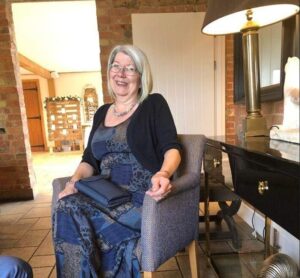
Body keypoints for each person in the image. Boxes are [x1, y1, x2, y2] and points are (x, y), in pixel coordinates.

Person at [52, 44, 181, 277]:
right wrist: (73, 182)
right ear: (109, 71)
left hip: (139, 199)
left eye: (130, 69)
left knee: (69, 209)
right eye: (116, 66)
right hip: (103, 194)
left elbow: (172, 148)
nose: (121, 74)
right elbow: (89, 159)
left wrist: (163, 174)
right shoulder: (101, 112)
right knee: (67, 202)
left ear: (141, 78)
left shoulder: (153, 104)